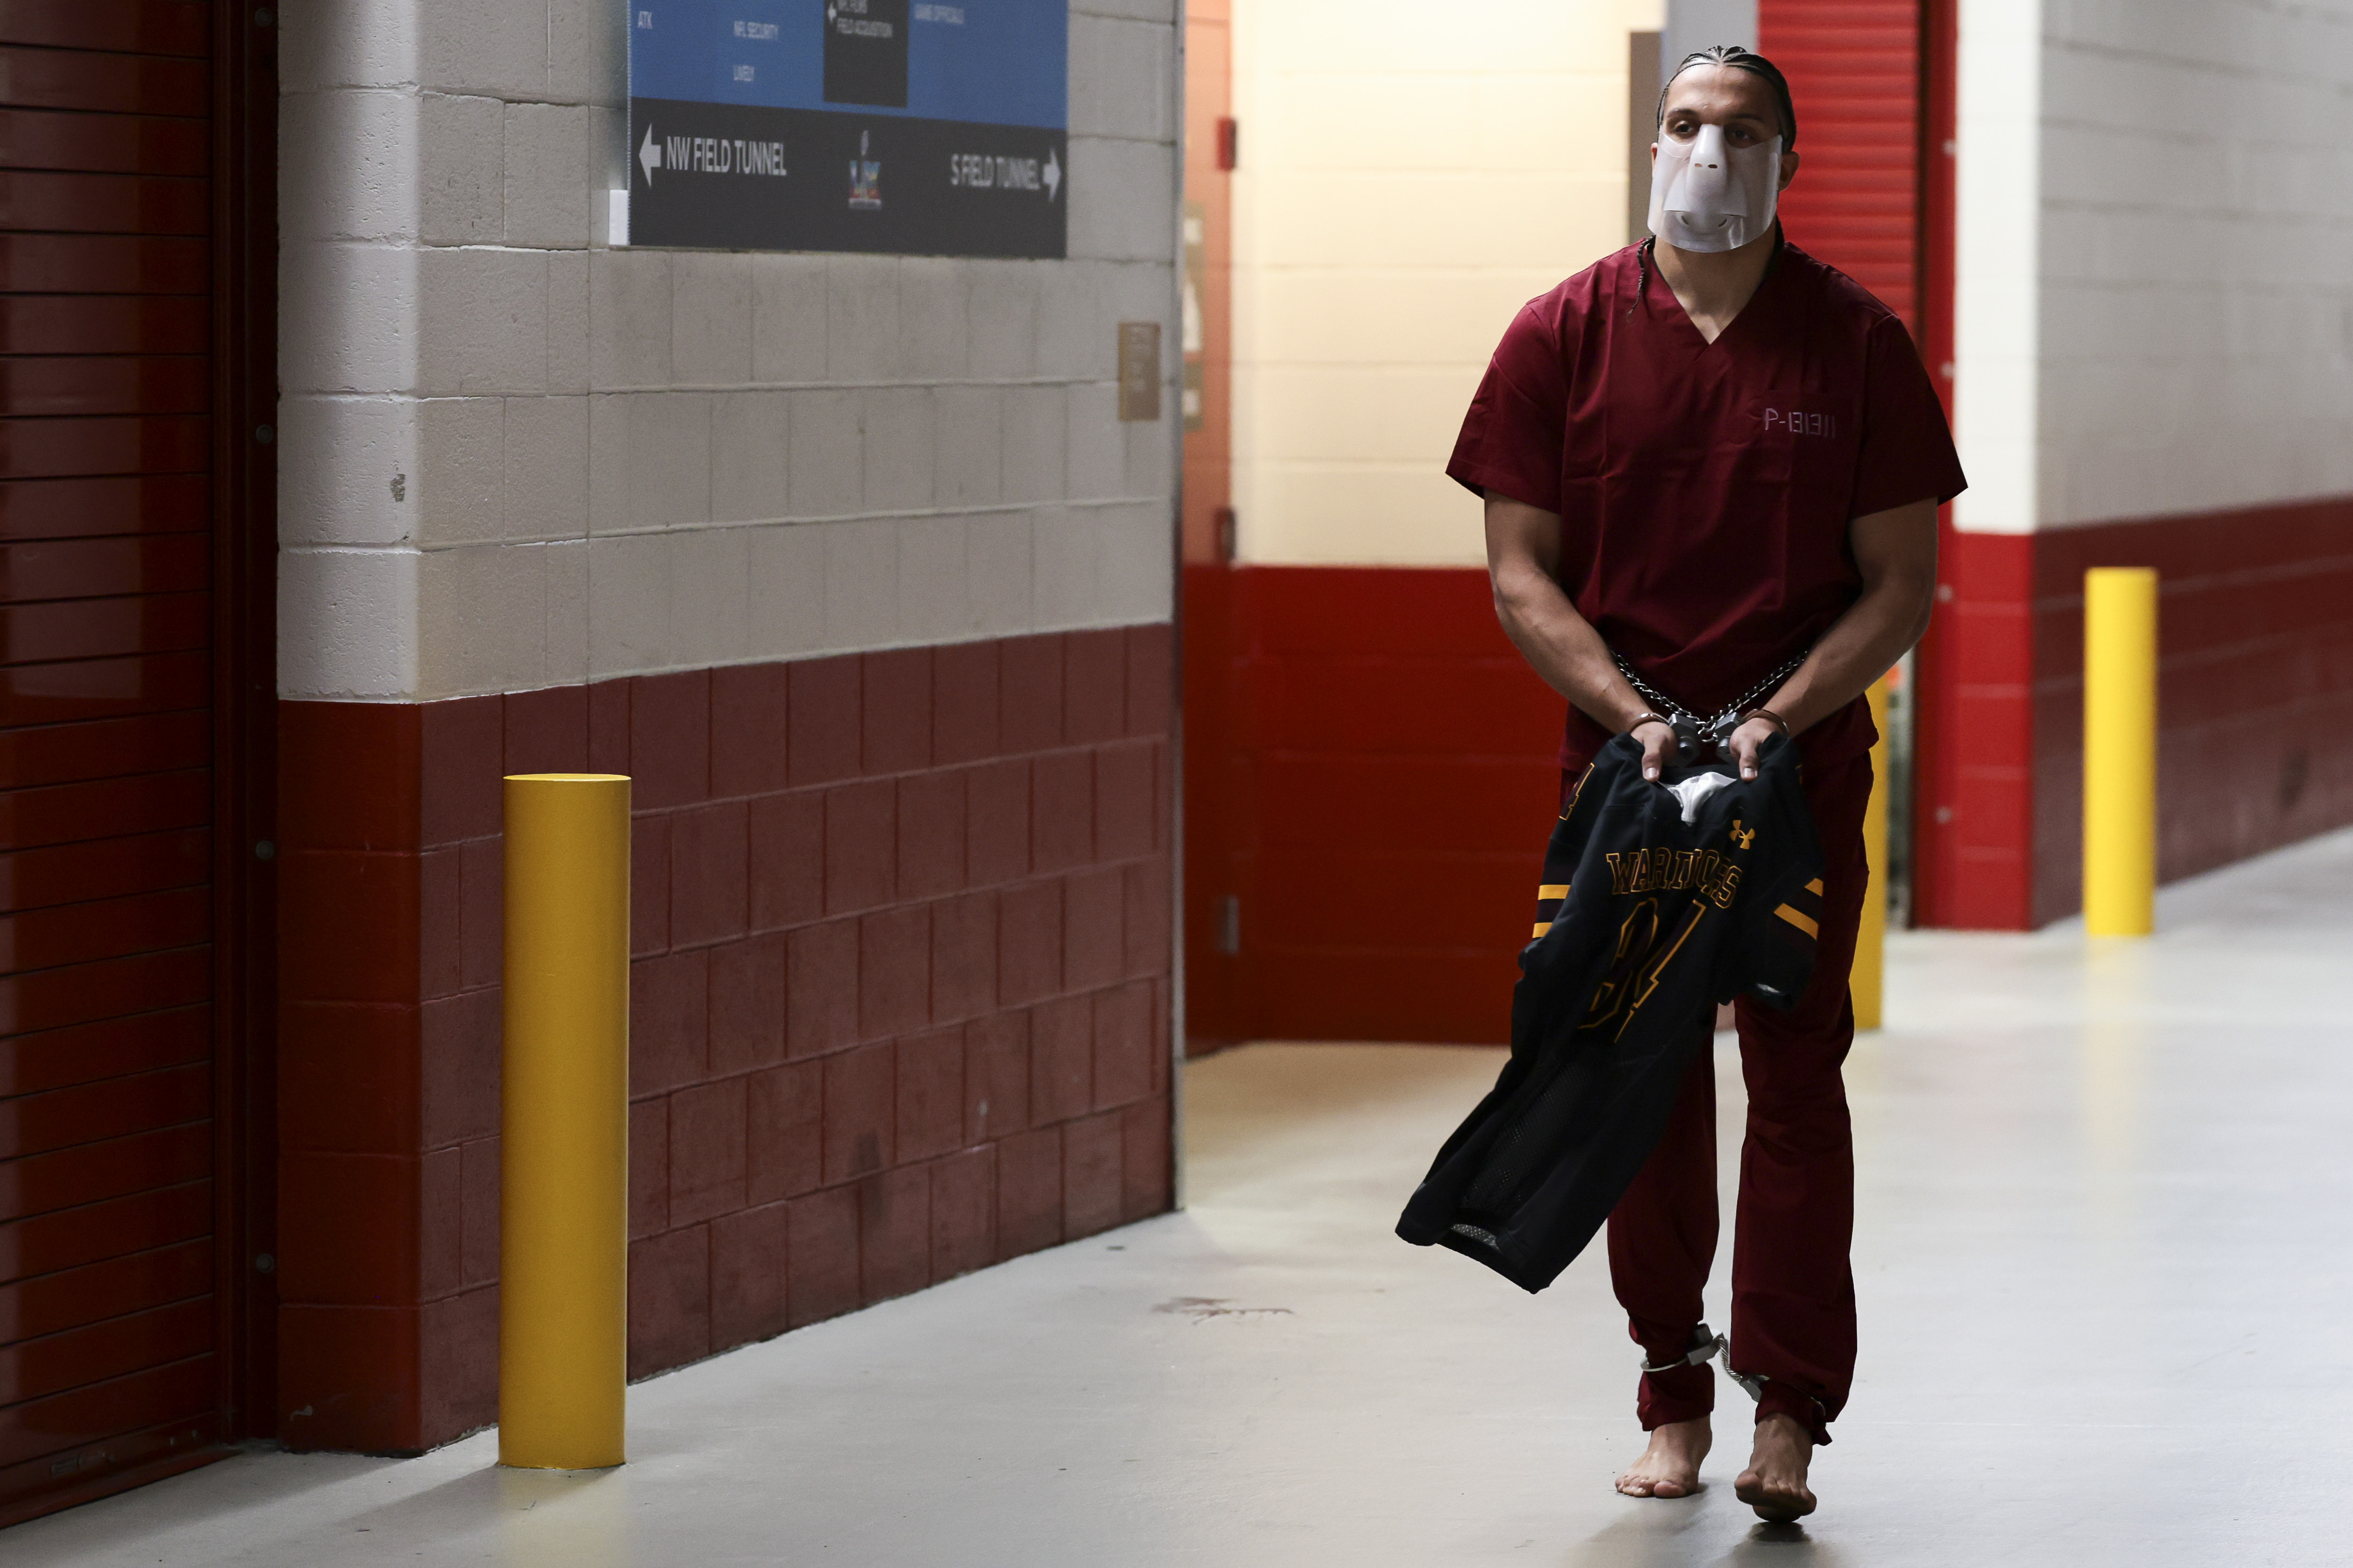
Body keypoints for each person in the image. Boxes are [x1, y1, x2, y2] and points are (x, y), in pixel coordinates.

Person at [1445, 45, 1965, 1522]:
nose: (1707, 153)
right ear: (1648, 142)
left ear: (1788, 161)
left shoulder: (1855, 347)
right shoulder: (1561, 336)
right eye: (1683, 126)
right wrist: (1635, 718)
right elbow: (1517, 574)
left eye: (1740, 132)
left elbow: (1897, 583)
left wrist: (1772, 715)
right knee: (1647, 1075)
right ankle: (1671, 1386)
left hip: (1792, 776)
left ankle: (1788, 1408)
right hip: (1629, 783)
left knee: (1795, 1075)